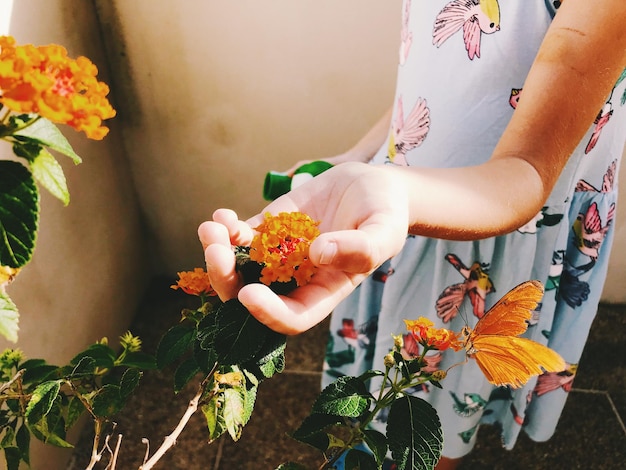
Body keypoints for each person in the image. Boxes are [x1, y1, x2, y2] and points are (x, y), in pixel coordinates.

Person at [198, 1, 626, 468]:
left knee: (432, 410)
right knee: (381, 385)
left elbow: (527, 167)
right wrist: (357, 160)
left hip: (484, 218)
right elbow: (434, 66)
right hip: (397, 192)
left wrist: (395, 193)